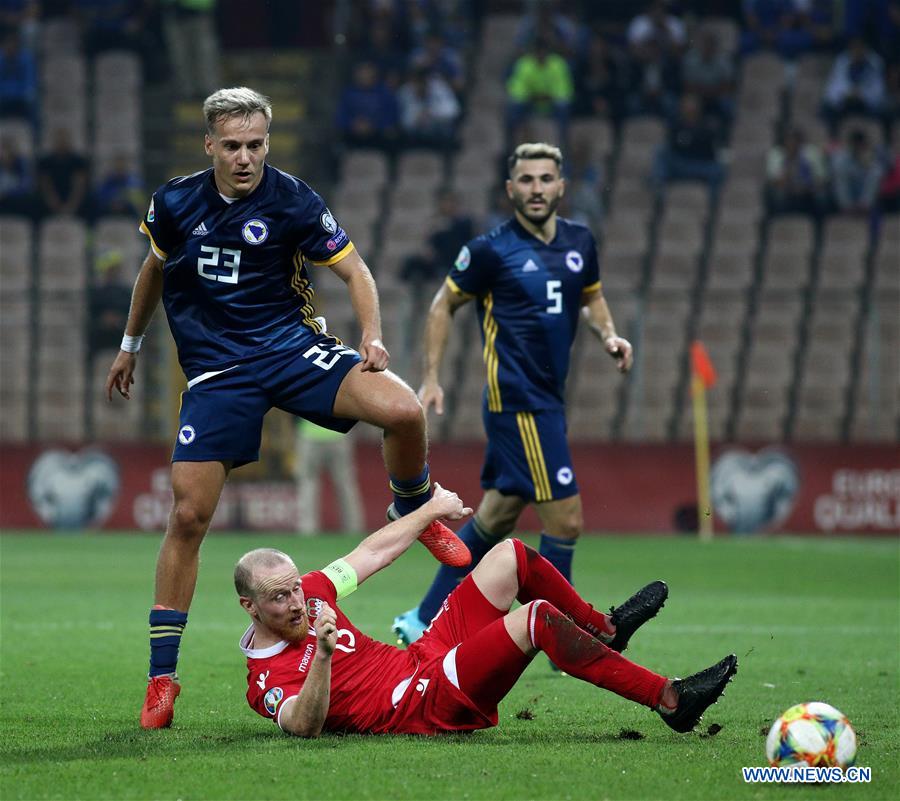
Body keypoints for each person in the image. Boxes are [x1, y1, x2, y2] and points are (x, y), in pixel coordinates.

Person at [103, 87, 470, 730]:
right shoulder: (175, 202)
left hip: (292, 351)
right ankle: (162, 679)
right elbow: (154, 271)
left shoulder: (295, 199)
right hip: (219, 372)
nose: (247, 158)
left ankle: (411, 504)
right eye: (234, 146)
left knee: (406, 410)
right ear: (209, 144)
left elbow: (357, 273)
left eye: (258, 145)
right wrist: (130, 344)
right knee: (187, 516)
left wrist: (372, 334)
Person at [236, 484, 738, 737]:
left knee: (510, 556)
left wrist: (428, 511)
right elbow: (304, 725)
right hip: (424, 704)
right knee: (536, 618)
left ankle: (601, 630)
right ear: (250, 608)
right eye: (280, 597)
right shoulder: (264, 681)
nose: (297, 601)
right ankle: (670, 700)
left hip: (420, 660)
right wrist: (322, 656)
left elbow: (369, 553)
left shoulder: (313, 592)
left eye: (296, 588)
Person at [392, 142, 634, 646]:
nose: (537, 189)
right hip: (517, 401)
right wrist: (431, 377)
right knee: (566, 519)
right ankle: (565, 638)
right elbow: (443, 305)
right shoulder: (490, 250)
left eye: (546, 179)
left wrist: (608, 335)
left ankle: (422, 619)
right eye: (526, 180)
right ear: (510, 189)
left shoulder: (579, 242)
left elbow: (591, 298)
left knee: (497, 515)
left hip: (548, 400)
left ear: (561, 186)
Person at [294, 418, 364, 535]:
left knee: (308, 484)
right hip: (340, 433)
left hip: (309, 434)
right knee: (345, 484)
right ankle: (354, 528)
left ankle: (307, 530)